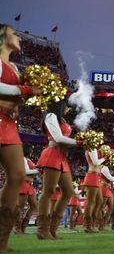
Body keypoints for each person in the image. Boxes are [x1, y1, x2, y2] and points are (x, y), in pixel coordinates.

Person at [0, 24, 39, 252]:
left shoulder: (14, 67)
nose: (19, 37)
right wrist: (24, 92)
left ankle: (2, 240)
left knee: (17, 175)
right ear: (3, 36)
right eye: (15, 33)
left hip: (9, 124)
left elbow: (15, 94)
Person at [36, 100, 80, 239]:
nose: (68, 108)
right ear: (60, 105)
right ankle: (42, 230)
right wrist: (78, 142)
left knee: (68, 192)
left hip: (61, 157)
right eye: (66, 105)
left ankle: (53, 229)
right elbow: (58, 138)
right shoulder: (50, 116)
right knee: (48, 192)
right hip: (52, 154)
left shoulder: (61, 119)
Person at [82, 148, 106, 233]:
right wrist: (105, 158)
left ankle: (92, 223)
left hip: (96, 176)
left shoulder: (92, 148)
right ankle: (88, 226)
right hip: (92, 176)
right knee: (90, 202)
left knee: (99, 201)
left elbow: (95, 163)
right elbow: (95, 163)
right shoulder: (92, 148)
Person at [14, 156, 39, 235]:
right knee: (20, 206)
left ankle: (23, 227)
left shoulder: (27, 159)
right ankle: (17, 227)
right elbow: (24, 171)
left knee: (34, 205)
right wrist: (36, 171)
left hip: (29, 184)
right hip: (22, 183)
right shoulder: (20, 158)